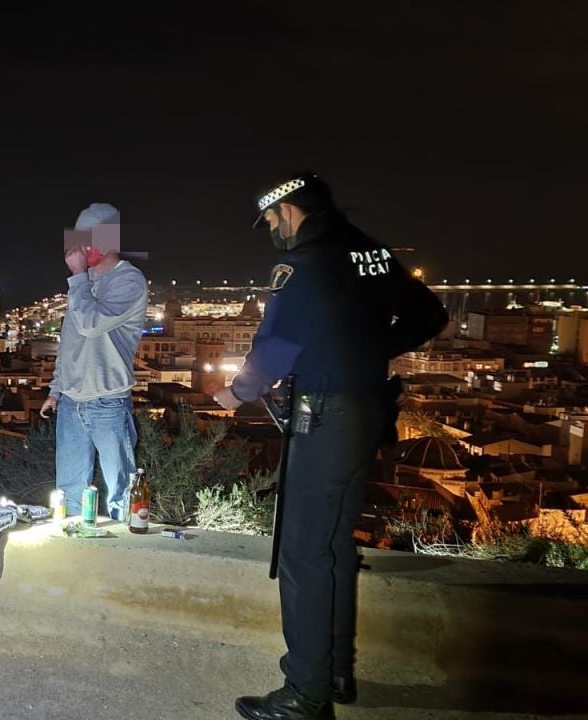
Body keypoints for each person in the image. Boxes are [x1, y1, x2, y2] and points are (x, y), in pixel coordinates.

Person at [213, 173, 447, 720]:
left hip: (324, 415)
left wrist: (237, 392)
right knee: (335, 544)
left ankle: (305, 693)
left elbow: (277, 343)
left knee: (302, 553)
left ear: (290, 211)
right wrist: (369, 348)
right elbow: (430, 314)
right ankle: (336, 671)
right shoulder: (371, 253)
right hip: (368, 409)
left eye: (273, 220)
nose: (274, 231)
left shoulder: (303, 264)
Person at [39, 202, 148, 521]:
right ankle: (73, 546)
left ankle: (125, 544)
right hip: (71, 402)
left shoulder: (129, 281)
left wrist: (77, 277)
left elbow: (90, 324)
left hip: (108, 402)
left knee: (121, 490)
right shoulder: (83, 284)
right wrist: (56, 390)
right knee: (69, 489)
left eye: (84, 239)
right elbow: (70, 342)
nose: (77, 248)